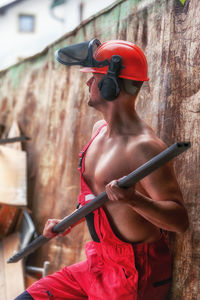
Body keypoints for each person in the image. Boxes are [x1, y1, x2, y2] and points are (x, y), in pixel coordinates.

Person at [15, 39, 189, 300]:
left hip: (133, 275)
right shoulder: (98, 131)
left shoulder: (143, 147)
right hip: (97, 262)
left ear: (110, 85)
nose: (87, 83)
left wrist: (134, 200)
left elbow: (179, 221)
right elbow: (96, 197)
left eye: (93, 77)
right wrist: (66, 222)